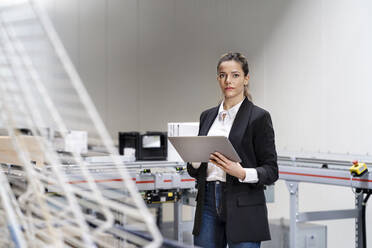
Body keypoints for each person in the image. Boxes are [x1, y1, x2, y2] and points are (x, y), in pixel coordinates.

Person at [187, 52, 278, 248]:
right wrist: (194, 158)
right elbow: (196, 170)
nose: (228, 80)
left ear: (246, 79)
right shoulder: (207, 116)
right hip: (208, 202)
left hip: (243, 202)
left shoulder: (258, 117)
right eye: (222, 75)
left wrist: (242, 172)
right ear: (218, 78)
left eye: (235, 75)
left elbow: (271, 170)